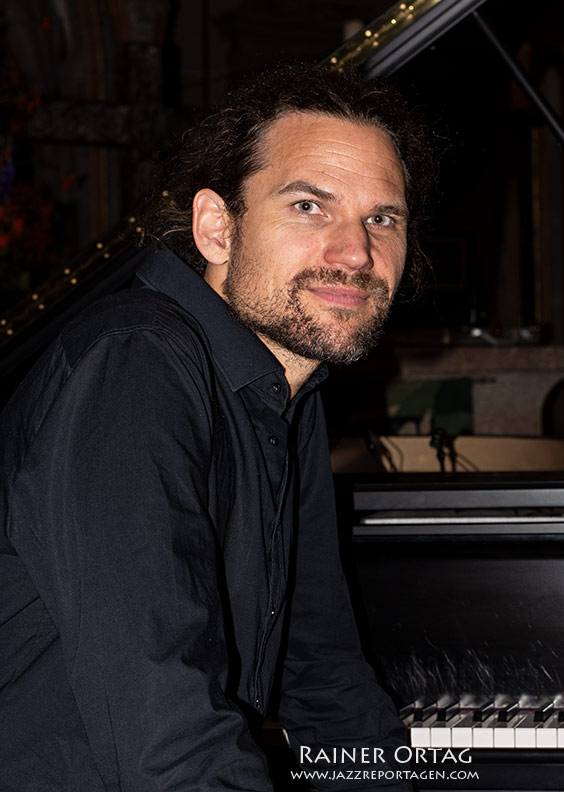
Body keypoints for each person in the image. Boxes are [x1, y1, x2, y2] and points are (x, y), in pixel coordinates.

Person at [0, 64, 437, 791]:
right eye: (308, 206)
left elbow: (320, 670)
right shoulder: (137, 365)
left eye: (381, 219)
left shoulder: (286, 390)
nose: (356, 252)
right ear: (216, 228)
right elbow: (165, 720)